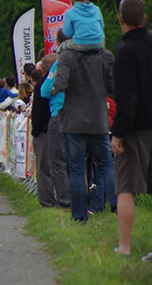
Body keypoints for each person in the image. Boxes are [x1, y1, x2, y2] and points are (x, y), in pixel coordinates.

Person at [53, 30, 117, 223]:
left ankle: (79, 215)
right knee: (106, 165)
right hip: (98, 119)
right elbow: (113, 86)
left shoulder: (67, 55)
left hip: (73, 120)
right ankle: (116, 207)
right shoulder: (105, 55)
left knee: (77, 168)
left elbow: (60, 84)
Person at [110, 0, 152, 258]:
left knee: (126, 187)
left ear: (120, 20)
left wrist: (118, 132)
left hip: (135, 129)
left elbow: (127, 98)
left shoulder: (126, 52)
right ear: (145, 18)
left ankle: (124, 247)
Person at [40, 30, 71, 209]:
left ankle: (66, 202)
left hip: (58, 114)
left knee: (57, 162)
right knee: (76, 161)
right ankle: (84, 201)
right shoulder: (83, 59)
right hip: (79, 115)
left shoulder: (59, 62)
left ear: (59, 43)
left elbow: (45, 91)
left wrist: (54, 90)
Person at [32, 54, 58, 208]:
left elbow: (38, 112)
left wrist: (36, 131)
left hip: (45, 130)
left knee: (44, 168)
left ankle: (47, 201)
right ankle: (64, 199)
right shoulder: (64, 83)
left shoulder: (42, 85)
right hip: (61, 127)